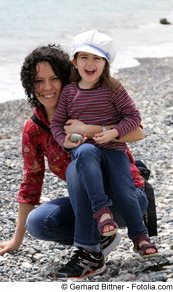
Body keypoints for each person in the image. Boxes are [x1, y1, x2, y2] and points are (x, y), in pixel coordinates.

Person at [0, 44, 148, 279]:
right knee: (39, 223)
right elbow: (32, 180)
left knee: (78, 163)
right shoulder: (34, 127)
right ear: (30, 84)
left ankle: (90, 254)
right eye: (39, 81)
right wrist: (16, 239)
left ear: (66, 77)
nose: (47, 88)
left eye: (54, 79)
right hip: (88, 204)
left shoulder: (86, 103)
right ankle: (103, 238)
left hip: (126, 198)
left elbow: (138, 132)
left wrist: (91, 130)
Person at [50, 30, 157, 267]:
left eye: (97, 58)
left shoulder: (113, 89)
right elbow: (57, 123)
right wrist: (64, 141)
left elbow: (133, 116)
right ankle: (102, 211)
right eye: (84, 57)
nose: (90, 63)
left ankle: (140, 236)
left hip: (113, 149)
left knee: (125, 189)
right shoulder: (69, 92)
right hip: (84, 149)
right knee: (86, 152)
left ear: (106, 63)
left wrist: (113, 132)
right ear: (74, 62)